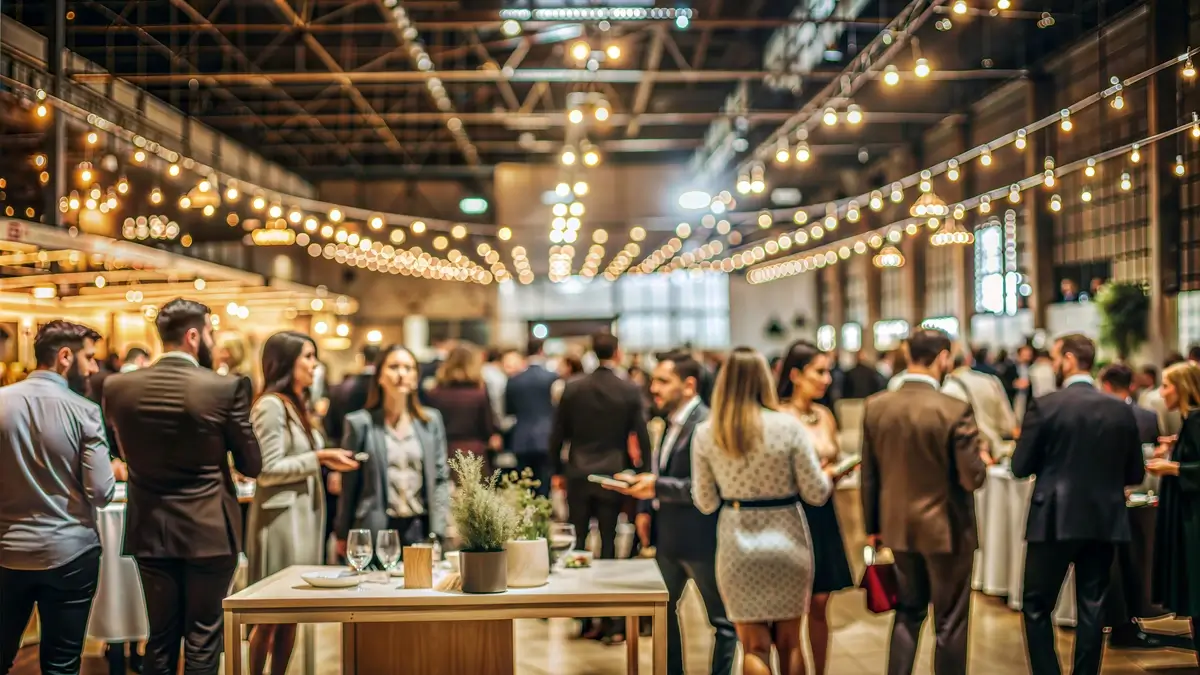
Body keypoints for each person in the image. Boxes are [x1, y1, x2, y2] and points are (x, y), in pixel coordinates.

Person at [102, 299, 262, 675]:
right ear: (193, 336)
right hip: (209, 532)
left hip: (150, 529)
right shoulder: (225, 387)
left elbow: (119, 451)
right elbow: (251, 464)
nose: (211, 339)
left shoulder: (118, 387)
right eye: (210, 332)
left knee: (159, 639)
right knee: (203, 638)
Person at [690, 347, 831, 675]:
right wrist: (828, 475)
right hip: (788, 538)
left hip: (737, 543)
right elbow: (816, 493)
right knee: (791, 643)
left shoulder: (707, 433)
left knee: (753, 646)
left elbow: (706, 501)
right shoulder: (788, 426)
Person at [1011, 334, 1145, 675]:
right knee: (1092, 606)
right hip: (1103, 518)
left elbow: (1019, 466)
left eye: (1056, 358)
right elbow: (1135, 473)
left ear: (1069, 359)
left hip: (1053, 517)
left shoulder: (1046, 405)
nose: (1054, 364)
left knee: (1037, 605)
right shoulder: (1119, 409)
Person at [861, 328, 988, 675]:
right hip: (948, 530)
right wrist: (980, 459)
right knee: (950, 622)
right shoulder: (954, 409)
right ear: (943, 357)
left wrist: (873, 529)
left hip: (897, 527)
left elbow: (869, 475)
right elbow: (971, 477)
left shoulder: (877, 406)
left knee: (908, 612)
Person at [604, 353, 736, 675]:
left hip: (702, 537)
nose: (653, 388)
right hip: (670, 536)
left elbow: (709, 486)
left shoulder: (706, 423)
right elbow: (658, 470)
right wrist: (646, 506)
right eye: (654, 380)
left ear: (689, 385)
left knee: (722, 622)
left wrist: (656, 488)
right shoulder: (668, 422)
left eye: (663, 381)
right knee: (662, 612)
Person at [0, 321, 114, 675]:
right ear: (65, 357)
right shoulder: (84, 411)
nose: (94, 368)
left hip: (6, 550)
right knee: (61, 664)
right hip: (70, 553)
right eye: (89, 358)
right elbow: (101, 492)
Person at [245, 332, 358, 675]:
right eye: (307, 357)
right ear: (286, 362)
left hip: (301, 516)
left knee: (291, 614)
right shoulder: (270, 405)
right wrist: (319, 457)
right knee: (270, 614)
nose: (314, 365)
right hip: (280, 520)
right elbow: (265, 469)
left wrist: (323, 459)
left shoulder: (296, 404)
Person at [550, 332, 651, 643]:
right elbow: (642, 435)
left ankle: (582, 616)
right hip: (612, 472)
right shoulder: (629, 389)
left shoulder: (573, 387)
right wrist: (644, 471)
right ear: (618, 353)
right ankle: (608, 617)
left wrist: (557, 470)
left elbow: (557, 435)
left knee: (578, 541)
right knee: (608, 544)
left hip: (578, 472)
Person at [775, 340, 854, 675]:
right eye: (818, 372)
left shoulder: (824, 415)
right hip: (791, 513)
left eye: (827, 371)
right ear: (795, 374)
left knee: (822, 602)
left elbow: (831, 463)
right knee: (790, 606)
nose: (827, 379)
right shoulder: (778, 416)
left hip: (823, 513)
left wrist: (837, 473)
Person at [336, 344, 451, 549]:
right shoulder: (360, 423)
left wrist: (438, 530)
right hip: (376, 529)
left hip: (420, 527)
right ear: (379, 376)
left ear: (416, 377)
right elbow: (349, 483)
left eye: (408, 368)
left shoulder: (430, 421)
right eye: (394, 367)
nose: (401, 374)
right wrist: (342, 532)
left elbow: (441, 477)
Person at [1097, 363, 1171, 650]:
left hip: (1111, 501)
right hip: (1142, 496)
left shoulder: (1103, 415)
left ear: (1104, 384)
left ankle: (1120, 620)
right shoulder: (1147, 416)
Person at [1145, 361, 1200, 662]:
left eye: (1166, 385)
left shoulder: (1195, 419)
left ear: (1182, 388)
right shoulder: (1189, 422)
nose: (1161, 392)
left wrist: (1172, 466)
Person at [424, 344, 500, 477]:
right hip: (474, 453)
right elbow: (487, 427)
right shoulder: (479, 393)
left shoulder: (434, 393)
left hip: (443, 452)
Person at [943, 344, 1018, 460]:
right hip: (994, 454)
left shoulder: (945, 389)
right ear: (968, 359)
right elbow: (1008, 425)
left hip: (963, 458)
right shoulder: (990, 381)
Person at [505, 339, 559, 496]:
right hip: (547, 435)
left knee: (524, 484)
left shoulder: (514, 380)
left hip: (521, 436)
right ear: (542, 351)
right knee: (544, 481)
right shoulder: (552, 377)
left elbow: (509, 410)